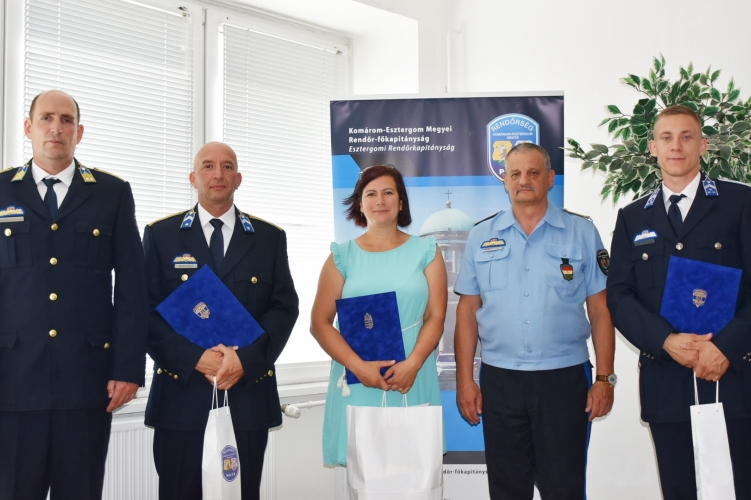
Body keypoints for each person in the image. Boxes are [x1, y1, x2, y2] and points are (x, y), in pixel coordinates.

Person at [0, 90, 148, 499]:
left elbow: (133, 287)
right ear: (28, 128)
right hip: (13, 383)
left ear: (79, 132)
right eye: (46, 118)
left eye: (67, 120)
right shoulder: (1, 191)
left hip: (86, 383)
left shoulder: (111, 193)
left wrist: (128, 368)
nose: (56, 127)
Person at [454, 143, 615, 500]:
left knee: (564, 488)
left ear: (550, 178)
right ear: (505, 181)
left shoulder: (581, 232)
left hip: (564, 379)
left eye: (532, 172)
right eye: (515, 174)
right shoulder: (481, 235)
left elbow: (600, 310)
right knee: (507, 489)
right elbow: (467, 311)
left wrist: (605, 378)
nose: (523, 180)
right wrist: (465, 380)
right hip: (500, 380)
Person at [607, 105, 751, 499]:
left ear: (703, 145)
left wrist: (726, 347)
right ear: (652, 147)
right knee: (679, 491)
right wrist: (665, 341)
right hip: (666, 383)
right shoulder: (633, 217)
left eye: (687, 137)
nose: (677, 146)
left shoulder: (740, 202)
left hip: (732, 379)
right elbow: (619, 295)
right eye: (666, 138)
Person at [143, 142, 299, 500]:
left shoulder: (268, 238)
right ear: (193, 177)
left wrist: (245, 361)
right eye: (208, 166)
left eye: (227, 167)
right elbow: (144, 311)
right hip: (181, 398)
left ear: (238, 179)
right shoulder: (162, 235)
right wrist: (194, 358)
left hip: (247, 397)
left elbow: (284, 308)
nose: (218, 174)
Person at [310, 165, 447, 471]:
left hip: (412, 376)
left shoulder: (427, 251)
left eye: (388, 193)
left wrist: (413, 364)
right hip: (359, 379)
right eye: (371, 194)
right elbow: (319, 323)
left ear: (401, 202)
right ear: (360, 204)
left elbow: (436, 316)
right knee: (366, 480)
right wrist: (360, 368)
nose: (380, 200)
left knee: (415, 478)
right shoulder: (341, 256)